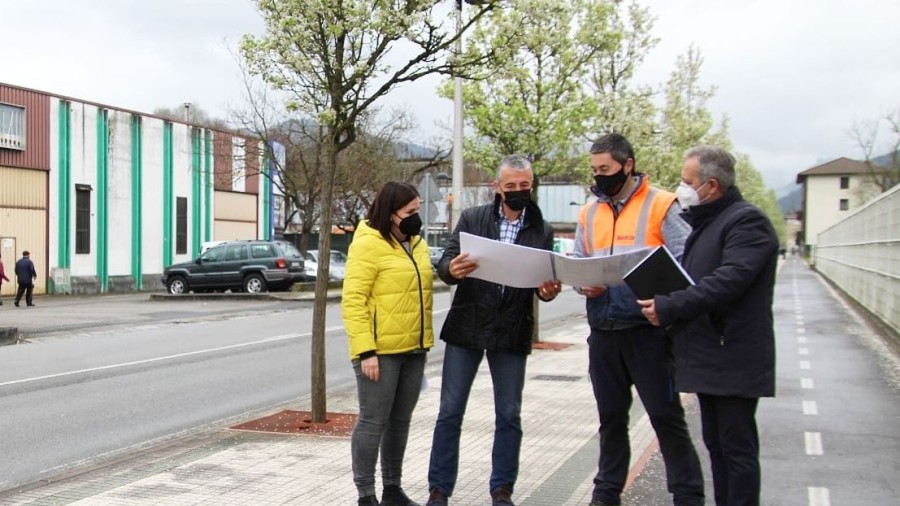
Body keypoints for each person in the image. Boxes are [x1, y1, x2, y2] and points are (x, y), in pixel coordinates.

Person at [638, 146, 778, 506]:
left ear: (712, 185)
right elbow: (694, 279)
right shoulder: (709, 224)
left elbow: (727, 281)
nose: (682, 189)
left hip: (733, 355)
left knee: (736, 449)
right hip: (709, 353)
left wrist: (670, 306)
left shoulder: (746, 222)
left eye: (688, 182)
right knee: (717, 445)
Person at [574, 133, 704, 506]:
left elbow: (686, 265)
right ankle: (606, 492)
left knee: (665, 417)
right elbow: (581, 266)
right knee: (610, 419)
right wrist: (585, 287)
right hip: (603, 331)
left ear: (627, 165)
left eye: (606, 169)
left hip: (649, 333)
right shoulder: (589, 212)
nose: (599, 177)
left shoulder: (663, 205)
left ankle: (688, 494)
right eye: (595, 170)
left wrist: (663, 299)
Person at [426, 155, 562, 506]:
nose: (518, 191)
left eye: (524, 186)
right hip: (468, 325)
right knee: (450, 411)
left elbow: (541, 282)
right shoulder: (473, 219)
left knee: (509, 414)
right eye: (511, 186)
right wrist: (452, 269)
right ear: (497, 187)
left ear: (531, 186)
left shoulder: (541, 229)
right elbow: (445, 262)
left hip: (512, 330)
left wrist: (547, 291)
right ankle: (439, 490)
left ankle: (502, 490)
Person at [342, 182, 435, 506]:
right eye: (410, 212)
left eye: (418, 210)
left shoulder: (418, 244)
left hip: (414, 349)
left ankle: (392, 490)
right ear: (390, 213)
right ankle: (366, 496)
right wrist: (366, 350)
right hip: (380, 353)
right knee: (373, 421)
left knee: (400, 422)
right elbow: (353, 300)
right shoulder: (368, 243)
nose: (415, 218)